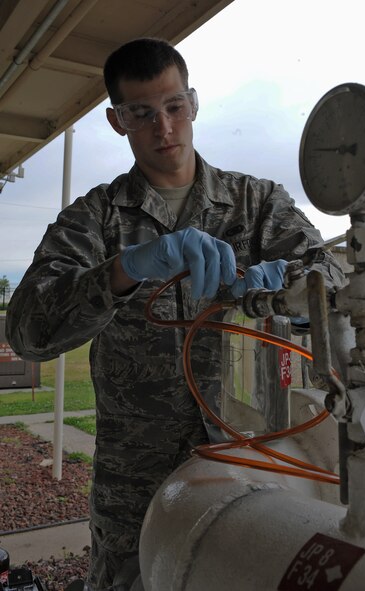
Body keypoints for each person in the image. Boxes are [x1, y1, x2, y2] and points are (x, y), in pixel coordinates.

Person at [6, 37, 345, 588]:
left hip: (252, 467)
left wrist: (290, 281)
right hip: (134, 483)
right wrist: (122, 269)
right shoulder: (95, 217)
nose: (163, 128)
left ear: (193, 102)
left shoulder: (256, 203)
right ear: (117, 120)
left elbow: (330, 278)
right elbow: (28, 333)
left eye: (173, 107)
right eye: (142, 113)